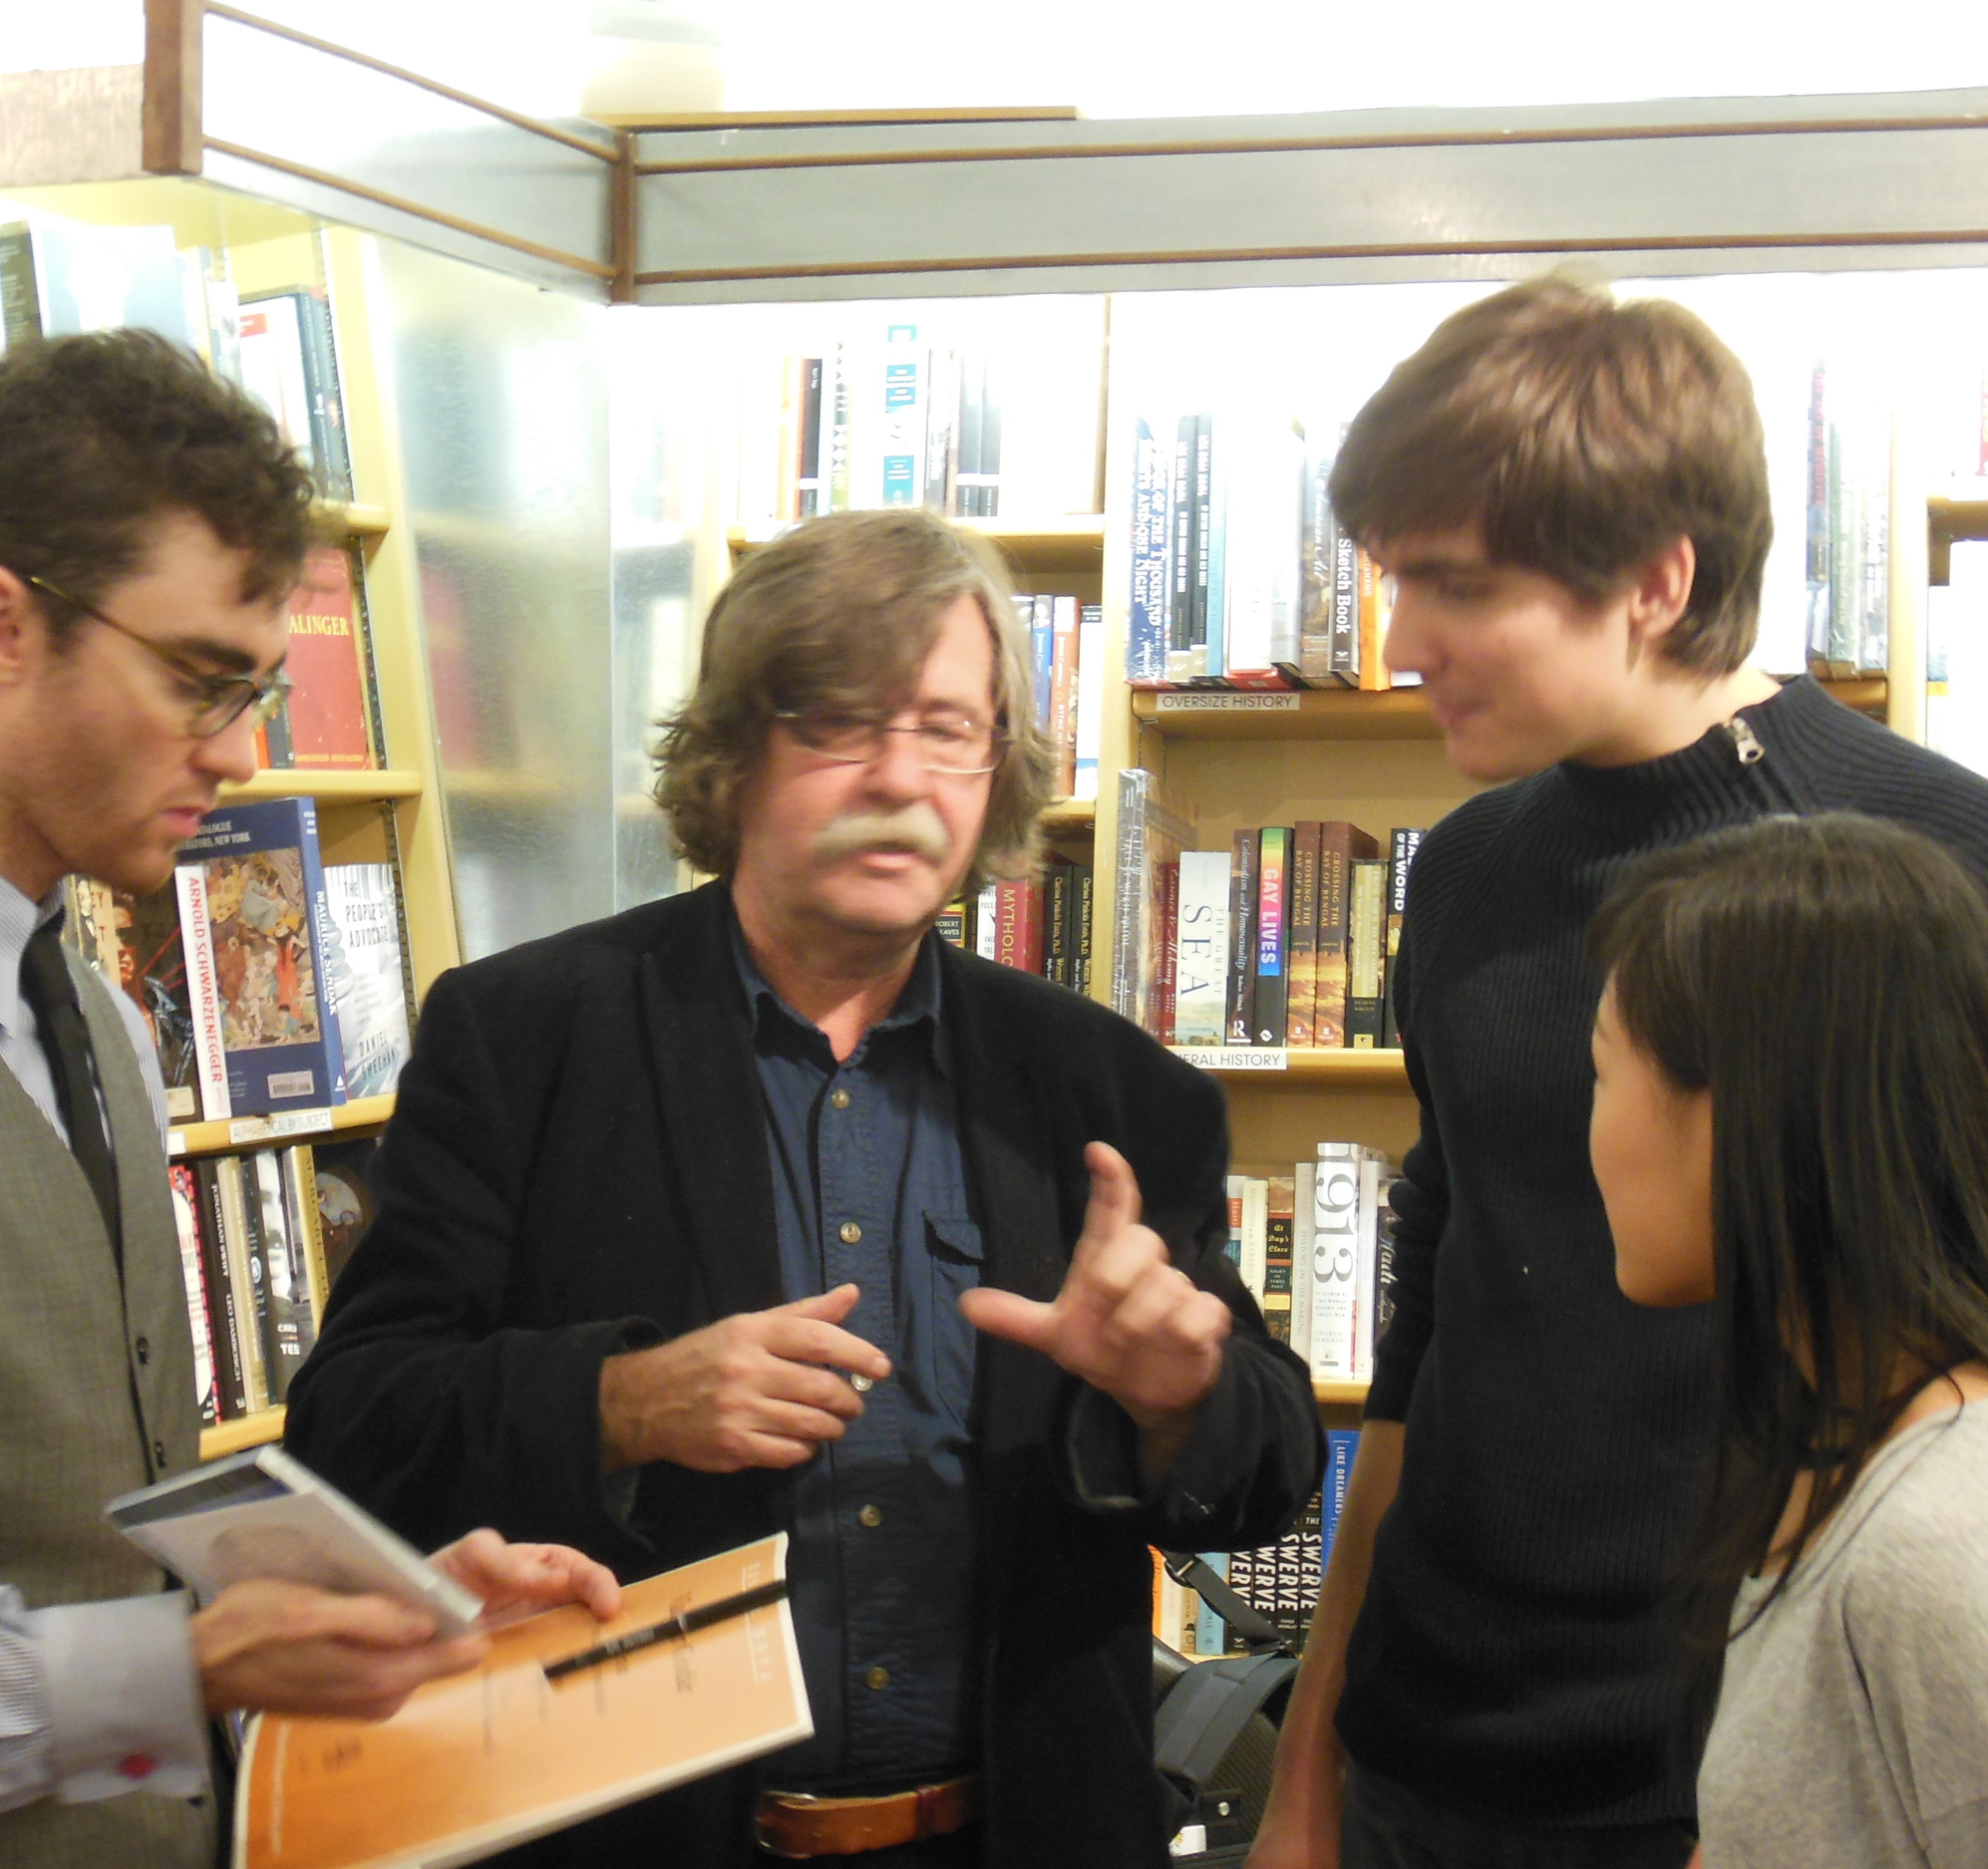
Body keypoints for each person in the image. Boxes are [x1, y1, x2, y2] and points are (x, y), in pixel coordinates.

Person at [1246, 275, 1988, 1869]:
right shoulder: (1467, 874)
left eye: (1455, 586)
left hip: (1738, 1784)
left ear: (1657, 580)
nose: (1403, 644)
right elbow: (1439, 1321)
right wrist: (1311, 1761)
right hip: (1426, 1756)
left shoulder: (1947, 871)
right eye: (1395, 580)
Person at [0, 331, 620, 1869]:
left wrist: (358, 1602)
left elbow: (72, 1523)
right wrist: (171, 1669)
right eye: (197, 679)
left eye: (252, 688)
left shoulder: (103, 1009)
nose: (242, 753)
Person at [284, 506, 1327, 1868]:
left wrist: (1180, 1395)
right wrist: (621, 1401)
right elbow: (351, 1425)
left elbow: (1273, 1472)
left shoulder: (1117, 1094)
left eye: (950, 728)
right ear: (734, 751)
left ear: (999, 762)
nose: (902, 777)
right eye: (840, 722)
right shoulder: (525, 1037)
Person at [1590, 811, 1988, 1868]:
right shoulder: (1839, 1450)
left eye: (1602, 1072)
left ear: (1742, 1114)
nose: (1587, 1129)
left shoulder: (1961, 1549)